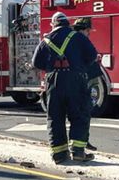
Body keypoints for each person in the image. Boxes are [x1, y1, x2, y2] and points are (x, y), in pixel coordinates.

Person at [32, 12, 98, 164]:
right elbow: (92, 55)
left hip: (54, 81)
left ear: (53, 24)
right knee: (79, 114)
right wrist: (80, 67)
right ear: (67, 23)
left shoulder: (45, 40)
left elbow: (36, 62)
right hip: (76, 79)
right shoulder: (78, 37)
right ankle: (78, 151)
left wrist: (50, 68)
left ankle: (59, 154)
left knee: (55, 116)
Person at [72, 18, 102, 152]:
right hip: (85, 80)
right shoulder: (81, 39)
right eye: (89, 30)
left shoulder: (74, 39)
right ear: (85, 29)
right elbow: (91, 55)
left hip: (84, 79)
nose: (89, 33)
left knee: (84, 113)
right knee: (83, 113)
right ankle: (81, 143)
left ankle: (83, 141)